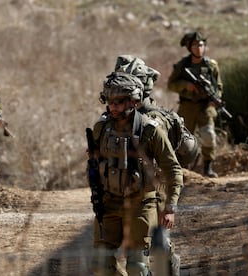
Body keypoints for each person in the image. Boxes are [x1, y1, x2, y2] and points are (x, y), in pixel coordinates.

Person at [88, 71, 183, 275]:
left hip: (141, 205)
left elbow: (173, 169)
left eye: (119, 101)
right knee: (101, 266)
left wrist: (170, 207)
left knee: (137, 267)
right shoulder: (102, 128)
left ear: (133, 101)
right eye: (109, 101)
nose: (113, 106)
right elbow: (95, 164)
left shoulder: (150, 130)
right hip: (109, 204)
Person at [167, 31, 223, 178]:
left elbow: (218, 86)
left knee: (209, 135)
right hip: (187, 107)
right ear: (189, 48)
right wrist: (186, 85)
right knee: (182, 138)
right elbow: (171, 85)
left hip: (205, 107)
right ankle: (181, 169)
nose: (199, 48)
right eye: (195, 45)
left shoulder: (211, 65)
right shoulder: (182, 65)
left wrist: (215, 99)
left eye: (201, 45)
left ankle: (207, 167)